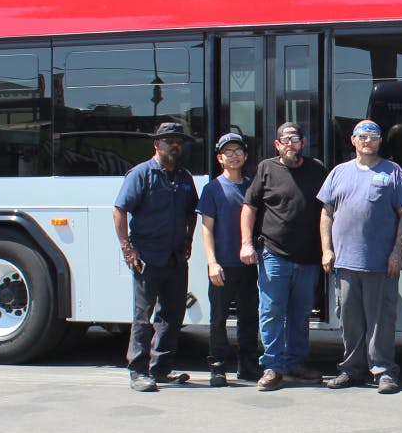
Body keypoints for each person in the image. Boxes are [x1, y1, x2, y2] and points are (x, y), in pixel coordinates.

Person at [318, 120, 402, 394]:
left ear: (380, 141)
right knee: (349, 319)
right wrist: (327, 249)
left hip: (380, 263)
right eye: (362, 136)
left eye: (373, 136)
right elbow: (326, 213)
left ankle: (384, 371)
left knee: (381, 320)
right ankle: (351, 370)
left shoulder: (393, 172)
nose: (367, 141)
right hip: (345, 262)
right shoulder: (338, 173)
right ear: (353, 140)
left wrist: (397, 252)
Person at [112, 120, 199, 392]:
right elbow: (119, 210)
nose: (175, 145)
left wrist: (188, 240)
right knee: (143, 317)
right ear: (156, 144)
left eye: (179, 141)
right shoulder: (140, 174)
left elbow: (190, 212)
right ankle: (138, 371)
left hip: (175, 257)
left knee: (172, 316)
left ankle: (161, 368)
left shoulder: (184, 177)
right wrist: (128, 248)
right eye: (169, 141)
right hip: (147, 257)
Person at [239, 122, 326, 391]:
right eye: (285, 140)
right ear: (277, 145)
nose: (291, 144)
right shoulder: (266, 168)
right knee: (272, 311)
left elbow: (328, 210)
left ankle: (295, 364)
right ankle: (272, 368)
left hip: (309, 257)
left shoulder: (317, 169)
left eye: (295, 139)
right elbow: (249, 208)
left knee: (300, 315)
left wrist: (327, 248)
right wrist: (246, 244)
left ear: (303, 142)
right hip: (274, 254)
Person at [198, 132, 260, 387]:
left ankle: (247, 366)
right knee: (219, 318)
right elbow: (206, 228)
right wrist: (212, 262)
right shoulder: (212, 189)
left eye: (238, 151)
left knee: (249, 316)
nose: (233, 156)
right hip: (222, 264)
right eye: (228, 152)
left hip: (248, 265)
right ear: (219, 158)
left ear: (245, 156)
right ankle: (218, 366)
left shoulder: (253, 186)